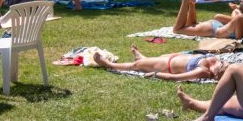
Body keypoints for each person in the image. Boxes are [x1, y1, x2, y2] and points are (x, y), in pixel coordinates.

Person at [92, 44, 227, 81]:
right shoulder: (216, 61)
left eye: (222, 68)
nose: (222, 64)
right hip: (174, 57)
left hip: (166, 66)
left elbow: (175, 78)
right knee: (159, 57)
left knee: (136, 66)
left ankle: (108, 65)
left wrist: (155, 74)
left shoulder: (203, 71)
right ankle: (143, 58)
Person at [172, 0, 243, 39]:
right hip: (212, 29)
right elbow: (239, 37)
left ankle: (191, 4)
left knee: (190, 24)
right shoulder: (241, 17)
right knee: (177, 30)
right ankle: (185, 1)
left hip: (215, 27)